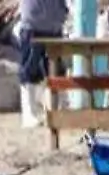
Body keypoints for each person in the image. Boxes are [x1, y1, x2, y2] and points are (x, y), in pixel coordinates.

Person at [15, 0, 68, 128]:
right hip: (33, 23)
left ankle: (55, 110)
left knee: (57, 69)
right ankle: (30, 114)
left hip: (54, 23)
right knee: (29, 68)